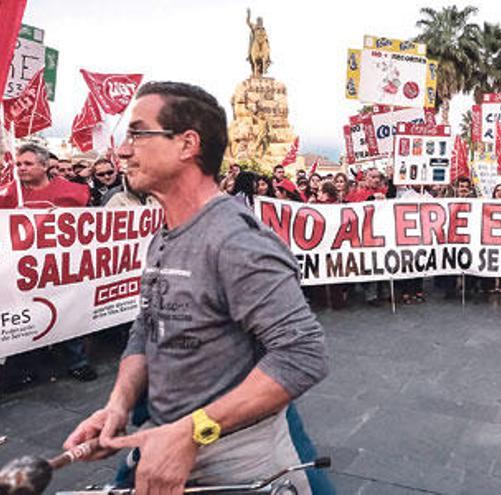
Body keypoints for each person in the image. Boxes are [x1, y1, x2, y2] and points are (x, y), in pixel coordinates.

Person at [63, 81, 332, 494]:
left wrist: (193, 432)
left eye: (138, 132)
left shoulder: (237, 240)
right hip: (155, 446)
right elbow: (147, 327)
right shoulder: (163, 234)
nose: (122, 150)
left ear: (187, 144)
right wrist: (117, 405)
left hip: (236, 468)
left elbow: (303, 354)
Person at [0, 143, 97, 384]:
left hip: (61, 267)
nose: (21, 168)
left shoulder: (72, 192)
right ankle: (26, 368)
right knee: (27, 317)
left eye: (27, 164)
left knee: (67, 312)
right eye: (18, 164)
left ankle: (78, 362)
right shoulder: (10, 192)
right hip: (23, 270)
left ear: (44, 166)